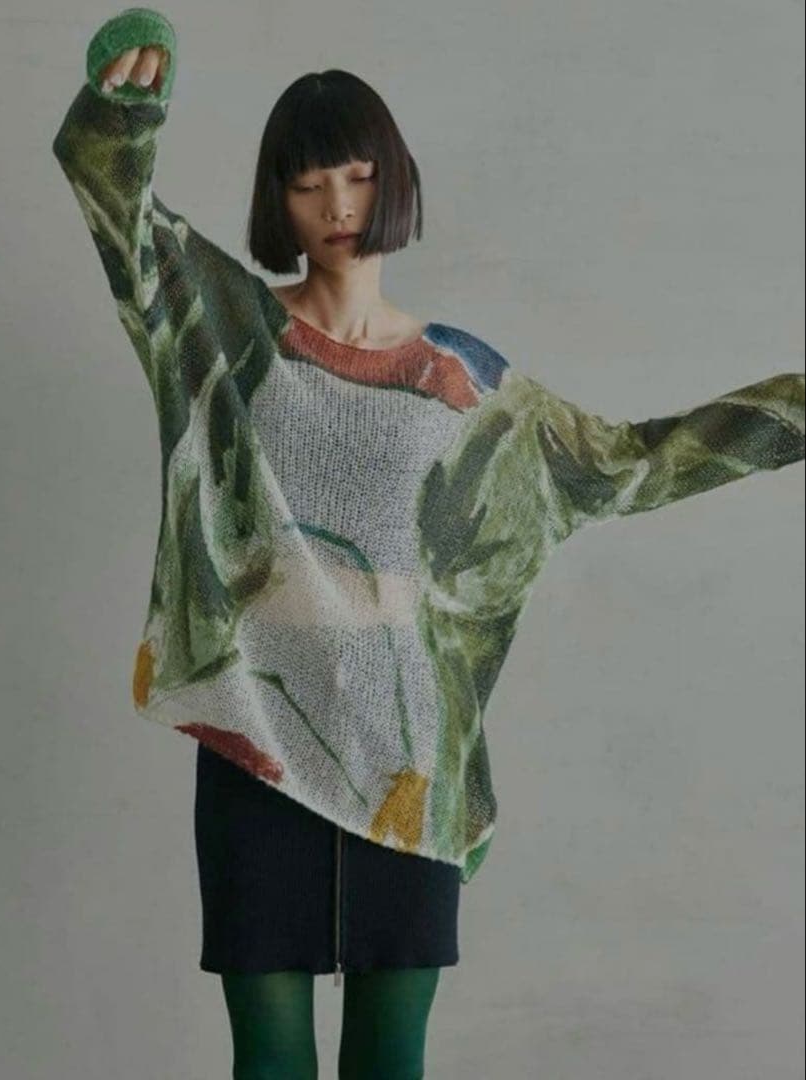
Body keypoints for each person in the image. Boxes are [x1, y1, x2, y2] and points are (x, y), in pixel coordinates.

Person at [54, 9, 804, 1079]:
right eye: (310, 184)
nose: (338, 207)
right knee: (268, 1060)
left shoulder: (465, 382)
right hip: (256, 747)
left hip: (413, 764)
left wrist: (793, 408)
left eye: (359, 178)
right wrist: (121, 114)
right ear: (278, 198)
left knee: (391, 1060)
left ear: (393, 181)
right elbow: (117, 209)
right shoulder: (223, 324)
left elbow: (634, 463)